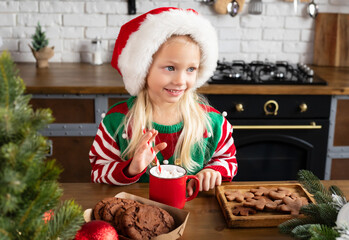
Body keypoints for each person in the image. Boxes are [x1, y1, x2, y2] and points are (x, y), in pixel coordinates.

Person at [89, 7, 237, 196]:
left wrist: (214, 171)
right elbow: (98, 171)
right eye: (170, 67)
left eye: (191, 69)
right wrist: (131, 168)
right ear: (143, 68)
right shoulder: (116, 121)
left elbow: (228, 160)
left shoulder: (212, 122)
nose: (181, 80)